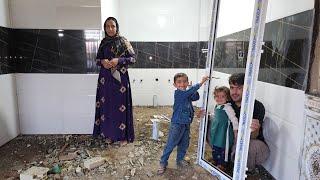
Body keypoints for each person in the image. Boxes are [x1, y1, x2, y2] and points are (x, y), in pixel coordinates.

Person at [93, 17, 136, 146]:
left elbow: (133, 59)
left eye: (113, 26)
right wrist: (102, 62)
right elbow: (97, 60)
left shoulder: (123, 41)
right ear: (105, 28)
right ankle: (110, 134)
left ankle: (122, 136)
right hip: (105, 79)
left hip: (120, 80)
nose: (110, 29)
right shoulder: (103, 42)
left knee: (121, 106)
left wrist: (119, 61)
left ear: (117, 27)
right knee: (107, 107)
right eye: (107, 26)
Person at [157, 73, 209, 174]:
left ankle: (180, 160)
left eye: (184, 81)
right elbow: (191, 92)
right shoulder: (179, 94)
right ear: (175, 85)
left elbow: (196, 97)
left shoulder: (187, 93)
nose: (182, 84)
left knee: (184, 144)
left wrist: (191, 88)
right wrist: (201, 82)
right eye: (179, 82)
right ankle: (163, 162)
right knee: (171, 144)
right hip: (177, 124)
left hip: (186, 124)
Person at [228, 73, 269, 170]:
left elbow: (253, 136)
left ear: (247, 89)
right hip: (231, 139)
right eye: (232, 88)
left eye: (239, 88)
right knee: (210, 123)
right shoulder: (228, 103)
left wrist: (255, 129)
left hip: (252, 142)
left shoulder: (256, 106)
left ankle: (244, 170)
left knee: (248, 145)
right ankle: (224, 160)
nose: (234, 92)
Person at [209, 86, 238, 172]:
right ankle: (215, 159)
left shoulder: (227, 107)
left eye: (222, 96)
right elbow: (214, 115)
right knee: (215, 145)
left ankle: (222, 164)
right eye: (217, 96)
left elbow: (234, 119)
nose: (219, 98)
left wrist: (235, 130)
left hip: (224, 132)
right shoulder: (217, 106)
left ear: (227, 97)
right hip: (216, 130)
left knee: (223, 148)